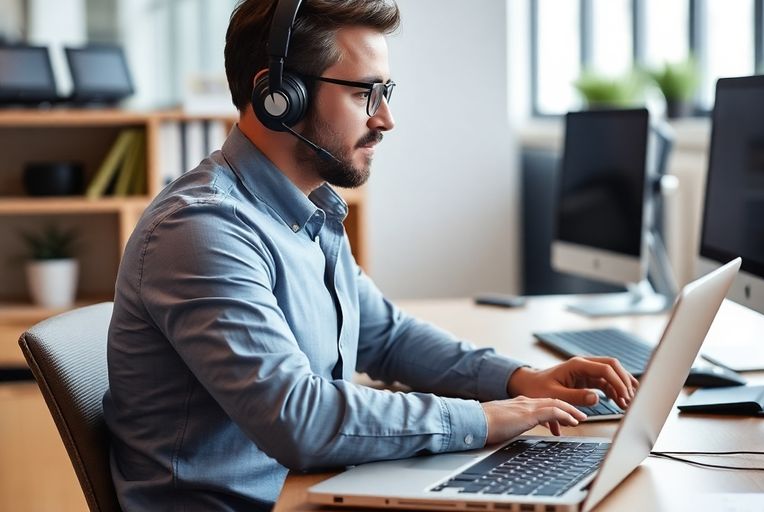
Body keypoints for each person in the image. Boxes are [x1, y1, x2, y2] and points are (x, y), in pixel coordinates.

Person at [103, 1, 638, 510]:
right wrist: (483, 419)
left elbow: (387, 335)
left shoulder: (310, 210)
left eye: (386, 92)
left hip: (313, 487)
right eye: (365, 94)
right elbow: (298, 420)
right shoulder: (201, 230)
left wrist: (520, 380)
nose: (385, 119)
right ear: (278, 96)